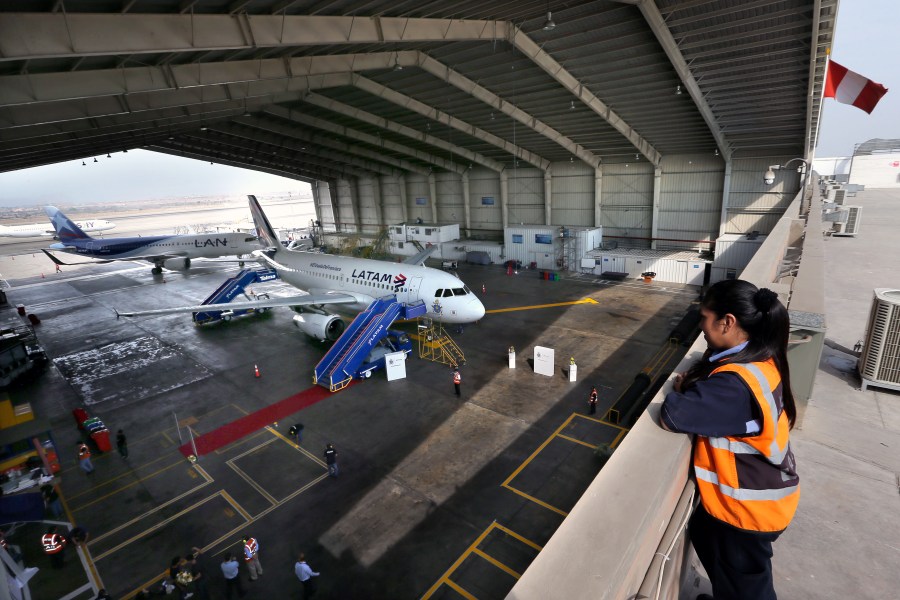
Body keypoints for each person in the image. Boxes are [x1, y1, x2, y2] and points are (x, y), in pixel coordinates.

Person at [660, 279, 800, 600]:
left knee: (749, 591)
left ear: (728, 322)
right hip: (756, 496)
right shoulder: (759, 358)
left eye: (705, 318)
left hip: (747, 512)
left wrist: (684, 389)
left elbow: (674, 415)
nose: (702, 326)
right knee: (706, 536)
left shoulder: (736, 385)